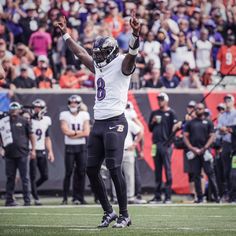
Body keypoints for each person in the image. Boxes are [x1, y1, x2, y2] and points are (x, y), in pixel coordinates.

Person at [55, 10, 140, 228]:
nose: (98, 57)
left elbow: (131, 56)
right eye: (98, 54)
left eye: (102, 54)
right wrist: (66, 35)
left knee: (113, 167)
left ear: (111, 53)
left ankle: (125, 214)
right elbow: (82, 53)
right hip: (99, 123)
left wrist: (135, 36)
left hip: (115, 121)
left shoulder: (122, 64)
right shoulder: (99, 65)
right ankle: (108, 211)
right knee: (90, 169)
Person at [0, 102, 36, 206]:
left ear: (20, 110)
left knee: (25, 178)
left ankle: (27, 200)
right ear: (9, 110)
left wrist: (33, 150)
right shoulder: (3, 122)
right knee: (10, 178)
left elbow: (31, 136)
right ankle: (9, 200)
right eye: (12, 108)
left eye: (16, 108)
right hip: (9, 154)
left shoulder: (25, 121)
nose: (14, 110)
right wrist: (1, 148)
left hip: (23, 153)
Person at [183, 103, 219, 203]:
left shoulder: (208, 122)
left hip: (205, 151)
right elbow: (185, 136)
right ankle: (199, 197)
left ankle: (216, 196)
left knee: (210, 174)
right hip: (195, 152)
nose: (198, 110)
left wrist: (205, 147)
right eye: (197, 109)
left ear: (204, 110)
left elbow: (212, 136)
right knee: (196, 175)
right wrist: (192, 148)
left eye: (200, 108)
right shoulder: (190, 123)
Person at [59, 95, 90, 205]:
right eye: (71, 102)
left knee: (81, 172)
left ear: (79, 104)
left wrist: (74, 134)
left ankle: (79, 197)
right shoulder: (64, 114)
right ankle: (65, 197)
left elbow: (86, 132)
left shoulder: (84, 114)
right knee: (68, 172)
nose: (73, 104)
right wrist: (79, 134)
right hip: (70, 147)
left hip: (81, 147)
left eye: (75, 103)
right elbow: (65, 131)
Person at [148, 93, 178, 204]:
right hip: (156, 144)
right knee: (158, 171)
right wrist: (153, 122)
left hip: (166, 145)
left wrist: (169, 144)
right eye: (158, 99)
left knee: (167, 170)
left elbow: (174, 130)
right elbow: (150, 128)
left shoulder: (171, 113)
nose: (159, 101)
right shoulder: (154, 113)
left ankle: (168, 196)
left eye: (161, 99)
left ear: (166, 101)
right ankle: (157, 196)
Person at [30, 99, 55, 205]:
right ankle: (35, 197)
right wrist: (31, 150)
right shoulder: (29, 120)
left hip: (42, 150)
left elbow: (47, 137)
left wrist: (50, 151)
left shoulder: (47, 120)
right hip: (32, 151)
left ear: (43, 109)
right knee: (33, 175)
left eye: (39, 107)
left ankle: (31, 189)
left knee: (45, 176)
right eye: (35, 107)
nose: (36, 109)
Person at [217, 94, 236, 202]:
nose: (227, 102)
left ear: (233, 101)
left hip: (234, 145)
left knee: (233, 172)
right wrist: (223, 130)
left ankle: (233, 195)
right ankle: (229, 194)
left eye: (229, 100)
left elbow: (233, 129)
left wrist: (227, 129)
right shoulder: (222, 116)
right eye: (225, 100)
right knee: (226, 171)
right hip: (225, 144)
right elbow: (219, 130)